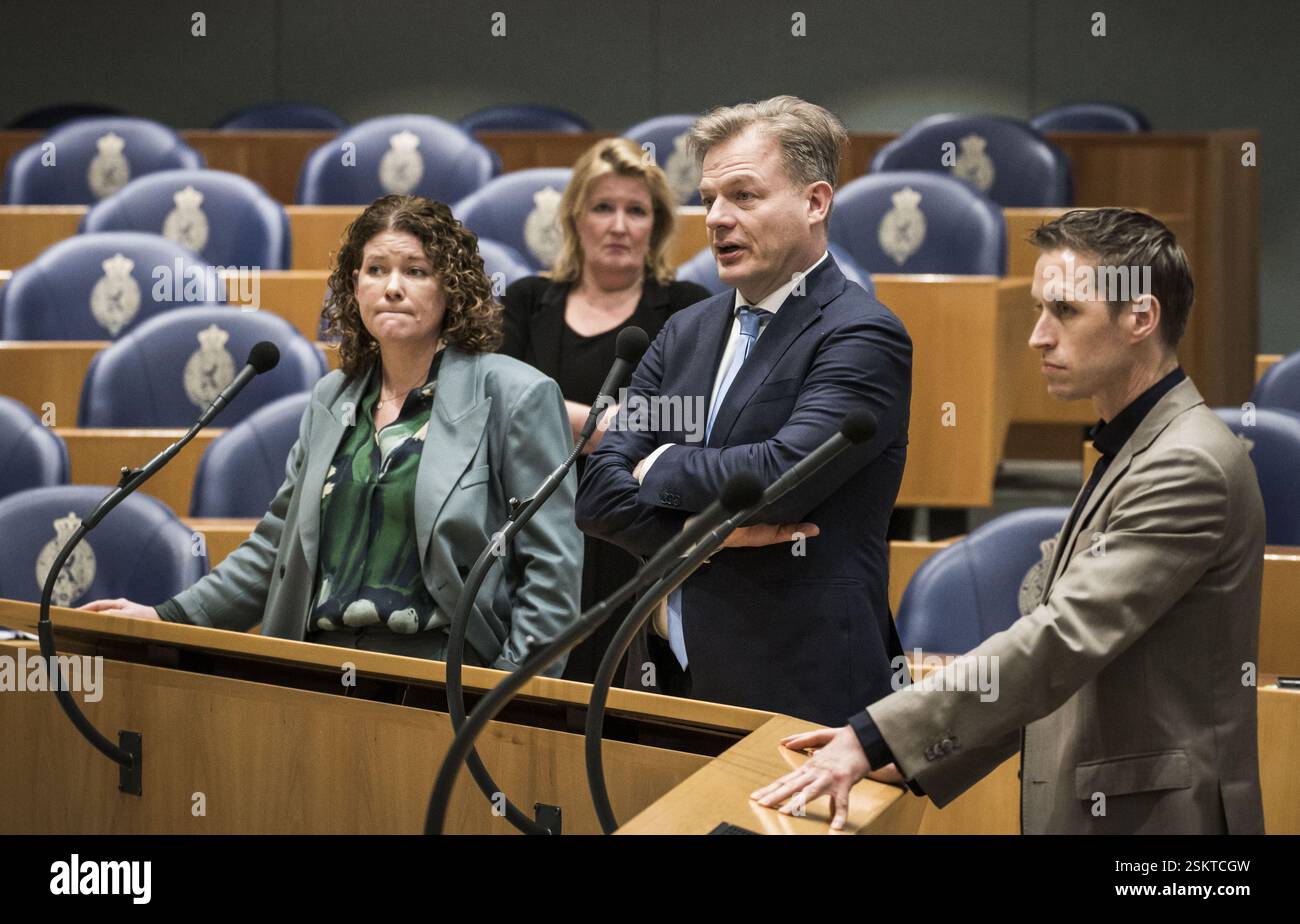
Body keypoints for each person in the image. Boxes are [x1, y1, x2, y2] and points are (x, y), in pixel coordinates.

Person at [752, 208, 1267, 834]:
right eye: (1038, 309)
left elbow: (1061, 639)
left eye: (1066, 311)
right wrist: (908, 757)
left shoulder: (1186, 463)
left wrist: (875, 737)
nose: (1039, 336)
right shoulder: (1135, 446)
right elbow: (1057, 671)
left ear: (1140, 317)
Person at [81, 195, 583, 676]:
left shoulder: (514, 396)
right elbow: (277, 547)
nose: (392, 287)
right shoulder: (333, 397)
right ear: (354, 286)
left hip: (443, 682)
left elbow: (551, 567)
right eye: (376, 270)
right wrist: (169, 618)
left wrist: (511, 689)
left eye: (415, 271)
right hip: (318, 676)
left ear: (451, 288)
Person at [575, 96, 913, 726]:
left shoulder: (861, 335)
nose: (717, 218)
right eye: (708, 199)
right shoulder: (684, 331)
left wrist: (660, 465)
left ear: (815, 202)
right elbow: (597, 496)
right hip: (663, 679)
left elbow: (777, 480)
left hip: (797, 691)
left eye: (744, 196)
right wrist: (694, 537)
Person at [500, 137, 709, 683]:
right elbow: (496, 411)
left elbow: (686, 422)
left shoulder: (686, 308)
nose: (619, 225)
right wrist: (616, 431)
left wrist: (549, 416)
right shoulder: (526, 301)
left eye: (635, 210)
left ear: (656, 225)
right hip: (531, 527)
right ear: (575, 217)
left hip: (636, 533)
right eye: (603, 207)